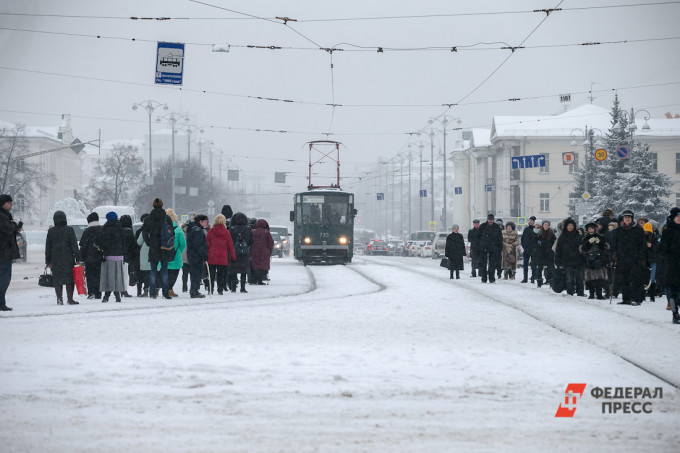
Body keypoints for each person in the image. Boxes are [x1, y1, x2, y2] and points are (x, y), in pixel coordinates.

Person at [45, 210, 81, 305]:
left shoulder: (51, 231)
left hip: (55, 259)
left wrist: (48, 261)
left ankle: (59, 299)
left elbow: (48, 247)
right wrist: (78, 258)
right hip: (68, 258)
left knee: (57, 280)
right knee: (70, 279)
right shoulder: (69, 230)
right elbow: (74, 245)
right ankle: (70, 299)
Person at [613, 210, 647, 306]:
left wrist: (641, 258)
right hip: (622, 258)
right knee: (624, 279)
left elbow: (642, 245)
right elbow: (616, 243)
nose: (627, 219)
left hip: (635, 259)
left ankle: (636, 299)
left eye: (628, 217)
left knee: (635, 280)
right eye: (625, 218)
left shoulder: (638, 229)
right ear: (623, 219)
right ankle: (626, 298)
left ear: (632, 219)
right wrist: (615, 254)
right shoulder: (620, 230)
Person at [142, 198, 173, 299]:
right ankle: (165, 292)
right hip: (164, 247)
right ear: (162, 205)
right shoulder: (167, 218)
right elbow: (172, 232)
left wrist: (149, 243)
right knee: (164, 270)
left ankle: (152, 293)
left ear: (153, 205)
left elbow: (144, 233)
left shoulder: (148, 219)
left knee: (153, 271)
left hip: (154, 247)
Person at [658, 207, 680, 324]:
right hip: (672, 265)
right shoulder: (668, 231)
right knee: (674, 292)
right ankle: (675, 313)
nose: (679, 219)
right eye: (677, 216)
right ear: (673, 217)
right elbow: (662, 249)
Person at [0, 194, 22, 311]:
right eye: (9, 202)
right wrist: (14, 225)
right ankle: (1, 303)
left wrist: (15, 229)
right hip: (3, 252)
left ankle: (2, 302)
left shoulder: (5, 215)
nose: (11, 204)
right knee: (4, 278)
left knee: (4, 278)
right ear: (3, 203)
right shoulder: (2, 215)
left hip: (5, 252)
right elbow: (7, 229)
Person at [99, 211, 126, 303]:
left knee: (109, 276)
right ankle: (117, 295)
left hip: (109, 255)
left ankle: (106, 296)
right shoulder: (120, 229)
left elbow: (104, 243)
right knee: (117, 277)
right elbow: (124, 243)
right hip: (119, 255)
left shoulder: (106, 229)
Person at [554, 218, 585, 296]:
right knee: (569, 278)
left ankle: (580, 292)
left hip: (578, 261)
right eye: (569, 225)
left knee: (579, 278)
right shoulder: (562, 237)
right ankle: (570, 292)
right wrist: (557, 260)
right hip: (567, 261)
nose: (570, 227)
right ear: (566, 226)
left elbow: (583, 248)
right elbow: (558, 250)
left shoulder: (578, 236)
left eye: (572, 225)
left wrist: (584, 259)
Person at [207, 214, 236, 294]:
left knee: (211, 275)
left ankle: (210, 289)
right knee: (221, 275)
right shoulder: (226, 232)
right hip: (222, 256)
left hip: (212, 256)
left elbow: (207, 244)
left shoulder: (211, 231)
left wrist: (205, 254)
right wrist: (233, 256)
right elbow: (230, 246)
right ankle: (220, 290)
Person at [580, 221, 609, 300]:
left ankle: (599, 294)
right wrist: (588, 243)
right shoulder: (585, 238)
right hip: (589, 260)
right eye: (589, 229)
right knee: (590, 279)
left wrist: (599, 243)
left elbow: (606, 247)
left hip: (599, 260)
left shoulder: (601, 237)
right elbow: (582, 249)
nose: (591, 230)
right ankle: (591, 294)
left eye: (592, 229)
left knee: (599, 278)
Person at [79, 212, 103, 299]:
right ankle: (98, 293)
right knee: (99, 275)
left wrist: (81, 258)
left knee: (90, 275)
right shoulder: (102, 229)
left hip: (89, 257)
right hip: (100, 257)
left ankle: (91, 292)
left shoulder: (87, 231)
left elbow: (82, 245)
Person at [229, 212, 254, 293]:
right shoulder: (248, 229)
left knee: (233, 271)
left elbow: (229, 241)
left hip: (234, 252)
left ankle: (233, 288)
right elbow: (251, 241)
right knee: (244, 271)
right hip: (244, 253)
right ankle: (242, 288)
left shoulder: (231, 229)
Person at [186, 214, 209, 298]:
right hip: (196, 256)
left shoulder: (192, 228)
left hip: (191, 255)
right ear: (200, 222)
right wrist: (204, 255)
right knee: (197, 273)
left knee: (194, 273)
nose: (206, 224)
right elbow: (198, 245)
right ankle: (194, 291)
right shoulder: (198, 231)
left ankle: (194, 290)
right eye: (205, 222)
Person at [165, 209, 186, 298]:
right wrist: (177, 252)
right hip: (175, 257)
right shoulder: (178, 230)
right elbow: (183, 244)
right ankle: (169, 289)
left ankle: (166, 289)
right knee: (174, 274)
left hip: (163, 256)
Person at [478, 214, 503, 283]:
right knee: (483, 264)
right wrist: (479, 246)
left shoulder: (496, 227)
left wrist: (500, 248)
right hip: (483, 248)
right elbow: (478, 237)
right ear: (487, 219)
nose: (490, 221)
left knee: (492, 264)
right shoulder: (482, 226)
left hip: (493, 248)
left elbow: (500, 239)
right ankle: (484, 278)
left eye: (492, 220)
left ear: (493, 220)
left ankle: (491, 278)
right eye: (489, 220)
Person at [250, 219, 274, 285]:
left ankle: (254, 280)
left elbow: (250, 241)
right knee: (262, 266)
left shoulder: (252, 232)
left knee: (255, 265)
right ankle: (260, 280)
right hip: (264, 252)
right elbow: (271, 243)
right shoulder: (266, 232)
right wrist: (270, 250)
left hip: (254, 251)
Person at [533, 220, 556, 288]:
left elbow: (554, 242)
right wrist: (538, 248)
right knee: (539, 268)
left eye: (547, 225)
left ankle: (551, 282)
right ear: (542, 225)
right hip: (540, 253)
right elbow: (535, 243)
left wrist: (550, 249)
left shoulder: (551, 233)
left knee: (550, 268)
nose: (546, 226)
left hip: (549, 253)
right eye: (545, 225)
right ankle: (539, 282)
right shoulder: (538, 233)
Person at [119, 214, 137, 298]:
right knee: (125, 274)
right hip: (127, 256)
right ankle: (124, 290)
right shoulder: (129, 231)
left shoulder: (119, 230)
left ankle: (119, 289)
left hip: (118, 254)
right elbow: (132, 245)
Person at [135, 213, 150, 297]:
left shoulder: (140, 231)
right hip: (154, 254)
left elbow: (138, 243)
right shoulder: (157, 229)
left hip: (142, 255)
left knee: (142, 274)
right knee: (153, 272)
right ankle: (152, 289)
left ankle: (141, 290)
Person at [521, 216, 538, 283]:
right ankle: (525, 278)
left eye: (533, 221)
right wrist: (524, 246)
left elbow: (538, 240)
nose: (531, 222)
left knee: (533, 265)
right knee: (525, 264)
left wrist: (535, 248)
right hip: (526, 249)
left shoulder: (536, 230)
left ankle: (533, 278)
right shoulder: (526, 229)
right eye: (530, 220)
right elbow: (522, 239)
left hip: (534, 250)